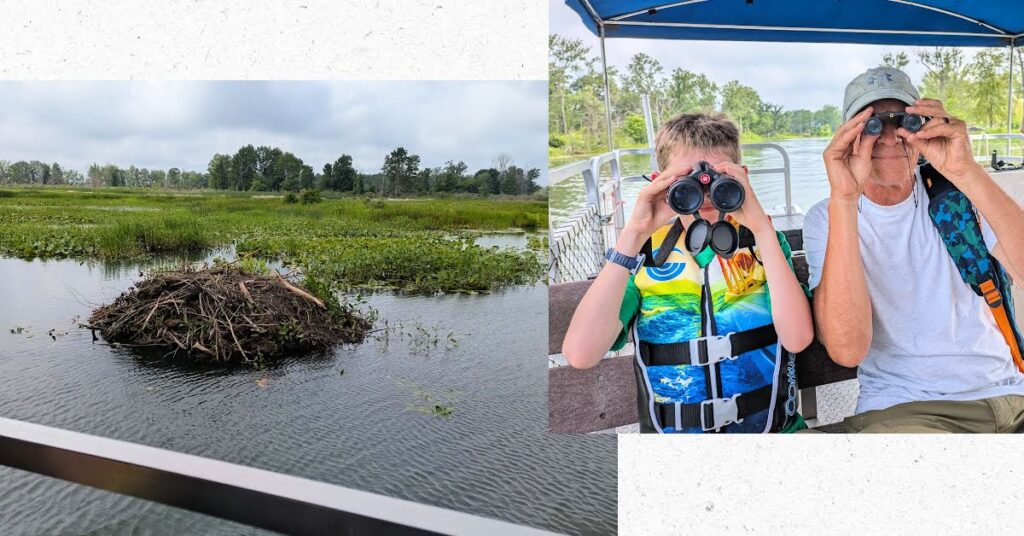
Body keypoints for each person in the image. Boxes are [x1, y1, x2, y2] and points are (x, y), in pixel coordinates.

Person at [562, 112, 813, 433]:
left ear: (743, 178)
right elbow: (581, 354)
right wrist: (634, 234)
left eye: (721, 180)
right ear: (660, 183)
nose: (706, 195)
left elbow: (798, 338)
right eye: (688, 184)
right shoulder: (643, 256)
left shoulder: (765, 243)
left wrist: (762, 229)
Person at [805, 66, 1024, 433]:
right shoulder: (828, 218)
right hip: (906, 407)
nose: (890, 138)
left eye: (906, 123)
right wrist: (844, 198)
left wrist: (966, 170)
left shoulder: (960, 197)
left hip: (1009, 393)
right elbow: (847, 350)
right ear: (848, 137)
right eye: (872, 126)